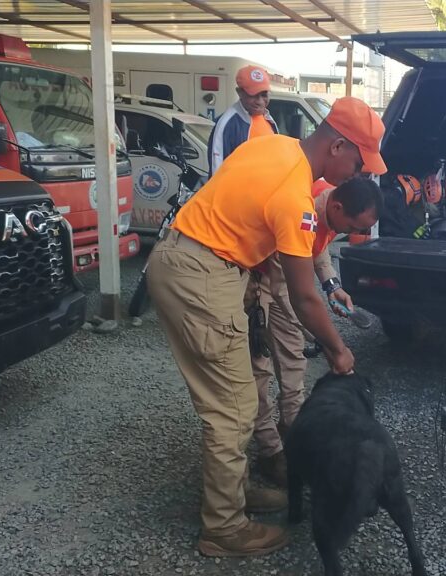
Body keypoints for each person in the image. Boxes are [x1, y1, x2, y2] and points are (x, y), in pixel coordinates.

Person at [146, 96, 386, 557]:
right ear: (338, 146)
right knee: (234, 409)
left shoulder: (271, 145)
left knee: (234, 397)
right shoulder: (296, 197)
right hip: (203, 275)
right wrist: (338, 351)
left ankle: (233, 492)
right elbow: (303, 297)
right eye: (358, 164)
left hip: (189, 260)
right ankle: (224, 528)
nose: (358, 175)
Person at [247, 176, 382, 487]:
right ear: (337, 206)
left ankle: (294, 432)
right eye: (352, 226)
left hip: (286, 283)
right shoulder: (301, 209)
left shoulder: (329, 203)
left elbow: (317, 245)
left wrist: (332, 285)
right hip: (259, 280)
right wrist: (327, 341)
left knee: (294, 360)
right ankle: (270, 452)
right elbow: (294, 296)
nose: (350, 233)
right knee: (258, 368)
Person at [208, 64, 278, 175]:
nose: (260, 101)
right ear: (239, 92)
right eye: (253, 95)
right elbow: (216, 171)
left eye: (264, 95)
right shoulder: (226, 124)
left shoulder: (269, 120)